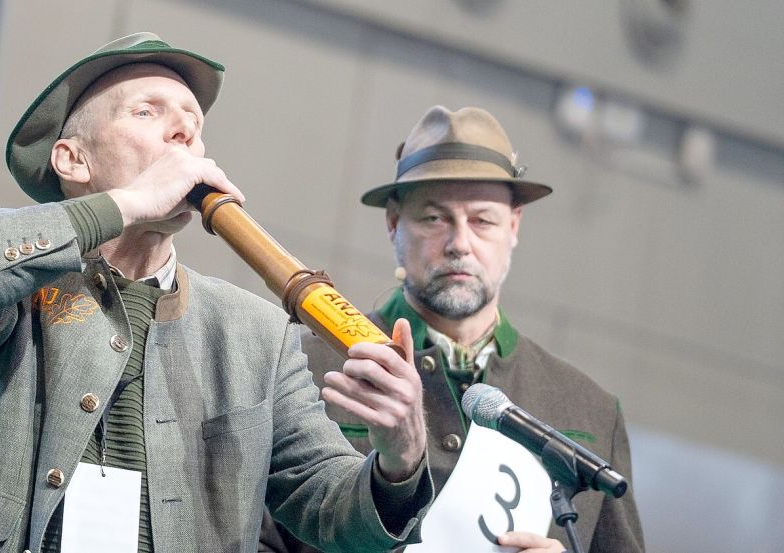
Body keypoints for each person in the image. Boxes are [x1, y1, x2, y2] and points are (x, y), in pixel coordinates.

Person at [0, 32, 433, 553]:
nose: (183, 132)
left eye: (193, 123)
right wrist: (129, 202)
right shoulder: (19, 277)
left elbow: (330, 509)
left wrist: (399, 461)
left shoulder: (255, 333)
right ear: (72, 160)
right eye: (146, 112)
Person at [260, 106, 645, 553]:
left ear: (514, 226)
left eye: (482, 220)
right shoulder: (303, 368)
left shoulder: (592, 412)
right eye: (434, 218)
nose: (460, 243)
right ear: (393, 223)